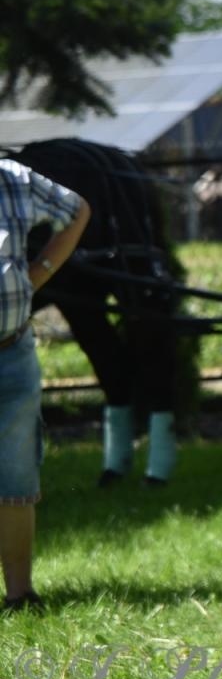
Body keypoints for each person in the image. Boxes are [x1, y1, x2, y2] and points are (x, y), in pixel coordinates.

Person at [0, 157, 90, 611]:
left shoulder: (14, 179)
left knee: (15, 478)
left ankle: (20, 595)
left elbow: (76, 211)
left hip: (10, 352)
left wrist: (42, 269)